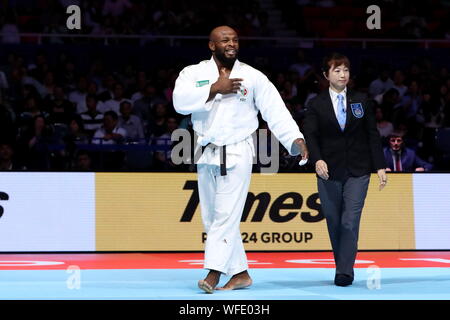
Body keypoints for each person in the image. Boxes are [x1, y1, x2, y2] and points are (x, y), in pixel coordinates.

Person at [172, 25, 308, 293]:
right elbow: (179, 102)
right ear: (212, 45)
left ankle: (213, 273)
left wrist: (295, 139)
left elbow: (275, 110)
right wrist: (213, 89)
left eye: (235, 39)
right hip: (205, 151)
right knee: (212, 218)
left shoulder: (252, 77)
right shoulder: (194, 73)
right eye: (224, 40)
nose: (231, 44)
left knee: (224, 216)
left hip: (238, 150)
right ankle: (241, 273)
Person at [303, 52, 387, 287]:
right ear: (326, 75)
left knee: (350, 221)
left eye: (346, 70)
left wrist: (379, 165)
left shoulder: (361, 100)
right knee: (334, 220)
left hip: (358, 170)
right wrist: (317, 160)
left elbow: (372, 134)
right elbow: (310, 134)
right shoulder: (316, 104)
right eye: (337, 70)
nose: (342, 75)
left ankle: (344, 271)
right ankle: (342, 265)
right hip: (328, 170)